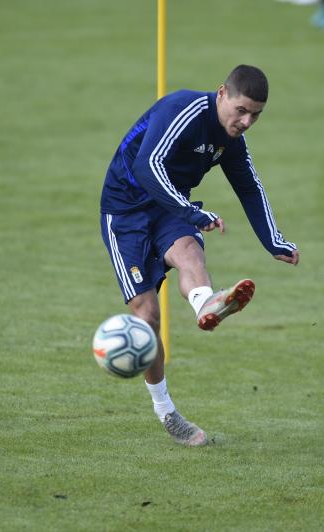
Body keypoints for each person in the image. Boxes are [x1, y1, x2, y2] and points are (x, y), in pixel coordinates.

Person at [99, 65, 299, 447]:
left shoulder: (231, 139)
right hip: (124, 212)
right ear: (221, 93)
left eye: (256, 114)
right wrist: (193, 213)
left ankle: (207, 305)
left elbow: (249, 188)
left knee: (189, 252)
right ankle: (166, 412)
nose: (246, 121)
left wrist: (274, 242)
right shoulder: (185, 110)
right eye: (241, 110)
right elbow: (147, 167)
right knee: (148, 316)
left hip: (170, 209)